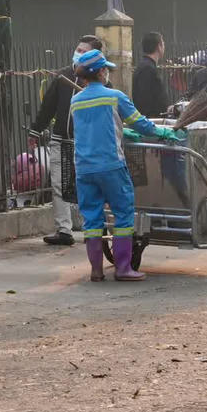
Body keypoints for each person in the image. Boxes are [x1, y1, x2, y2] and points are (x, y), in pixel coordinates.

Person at [70, 49, 179, 281]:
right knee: (123, 214)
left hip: (84, 168)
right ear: (100, 72)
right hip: (110, 165)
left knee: (92, 219)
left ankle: (96, 270)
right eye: (106, 69)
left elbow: (91, 127)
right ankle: (123, 269)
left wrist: (121, 128)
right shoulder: (114, 96)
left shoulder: (76, 100)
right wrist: (161, 132)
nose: (108, 73)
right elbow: (141, 123)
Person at [29, 35, 102, 247]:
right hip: (61, 139)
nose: (78, 53)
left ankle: (92, 228)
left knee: (88, 185)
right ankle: (64, 230)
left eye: (83, 51)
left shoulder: (99, 80)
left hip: (86, 142)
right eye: (78, 49)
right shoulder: (63, 77)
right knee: (59, 185)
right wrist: (35, 131)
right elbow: (48, 106)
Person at [132, 31, 170, 118]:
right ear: (159, 47)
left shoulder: (147, 66)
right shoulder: (147, 68)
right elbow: (144, 98)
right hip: (151, 119)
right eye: (163, 44)